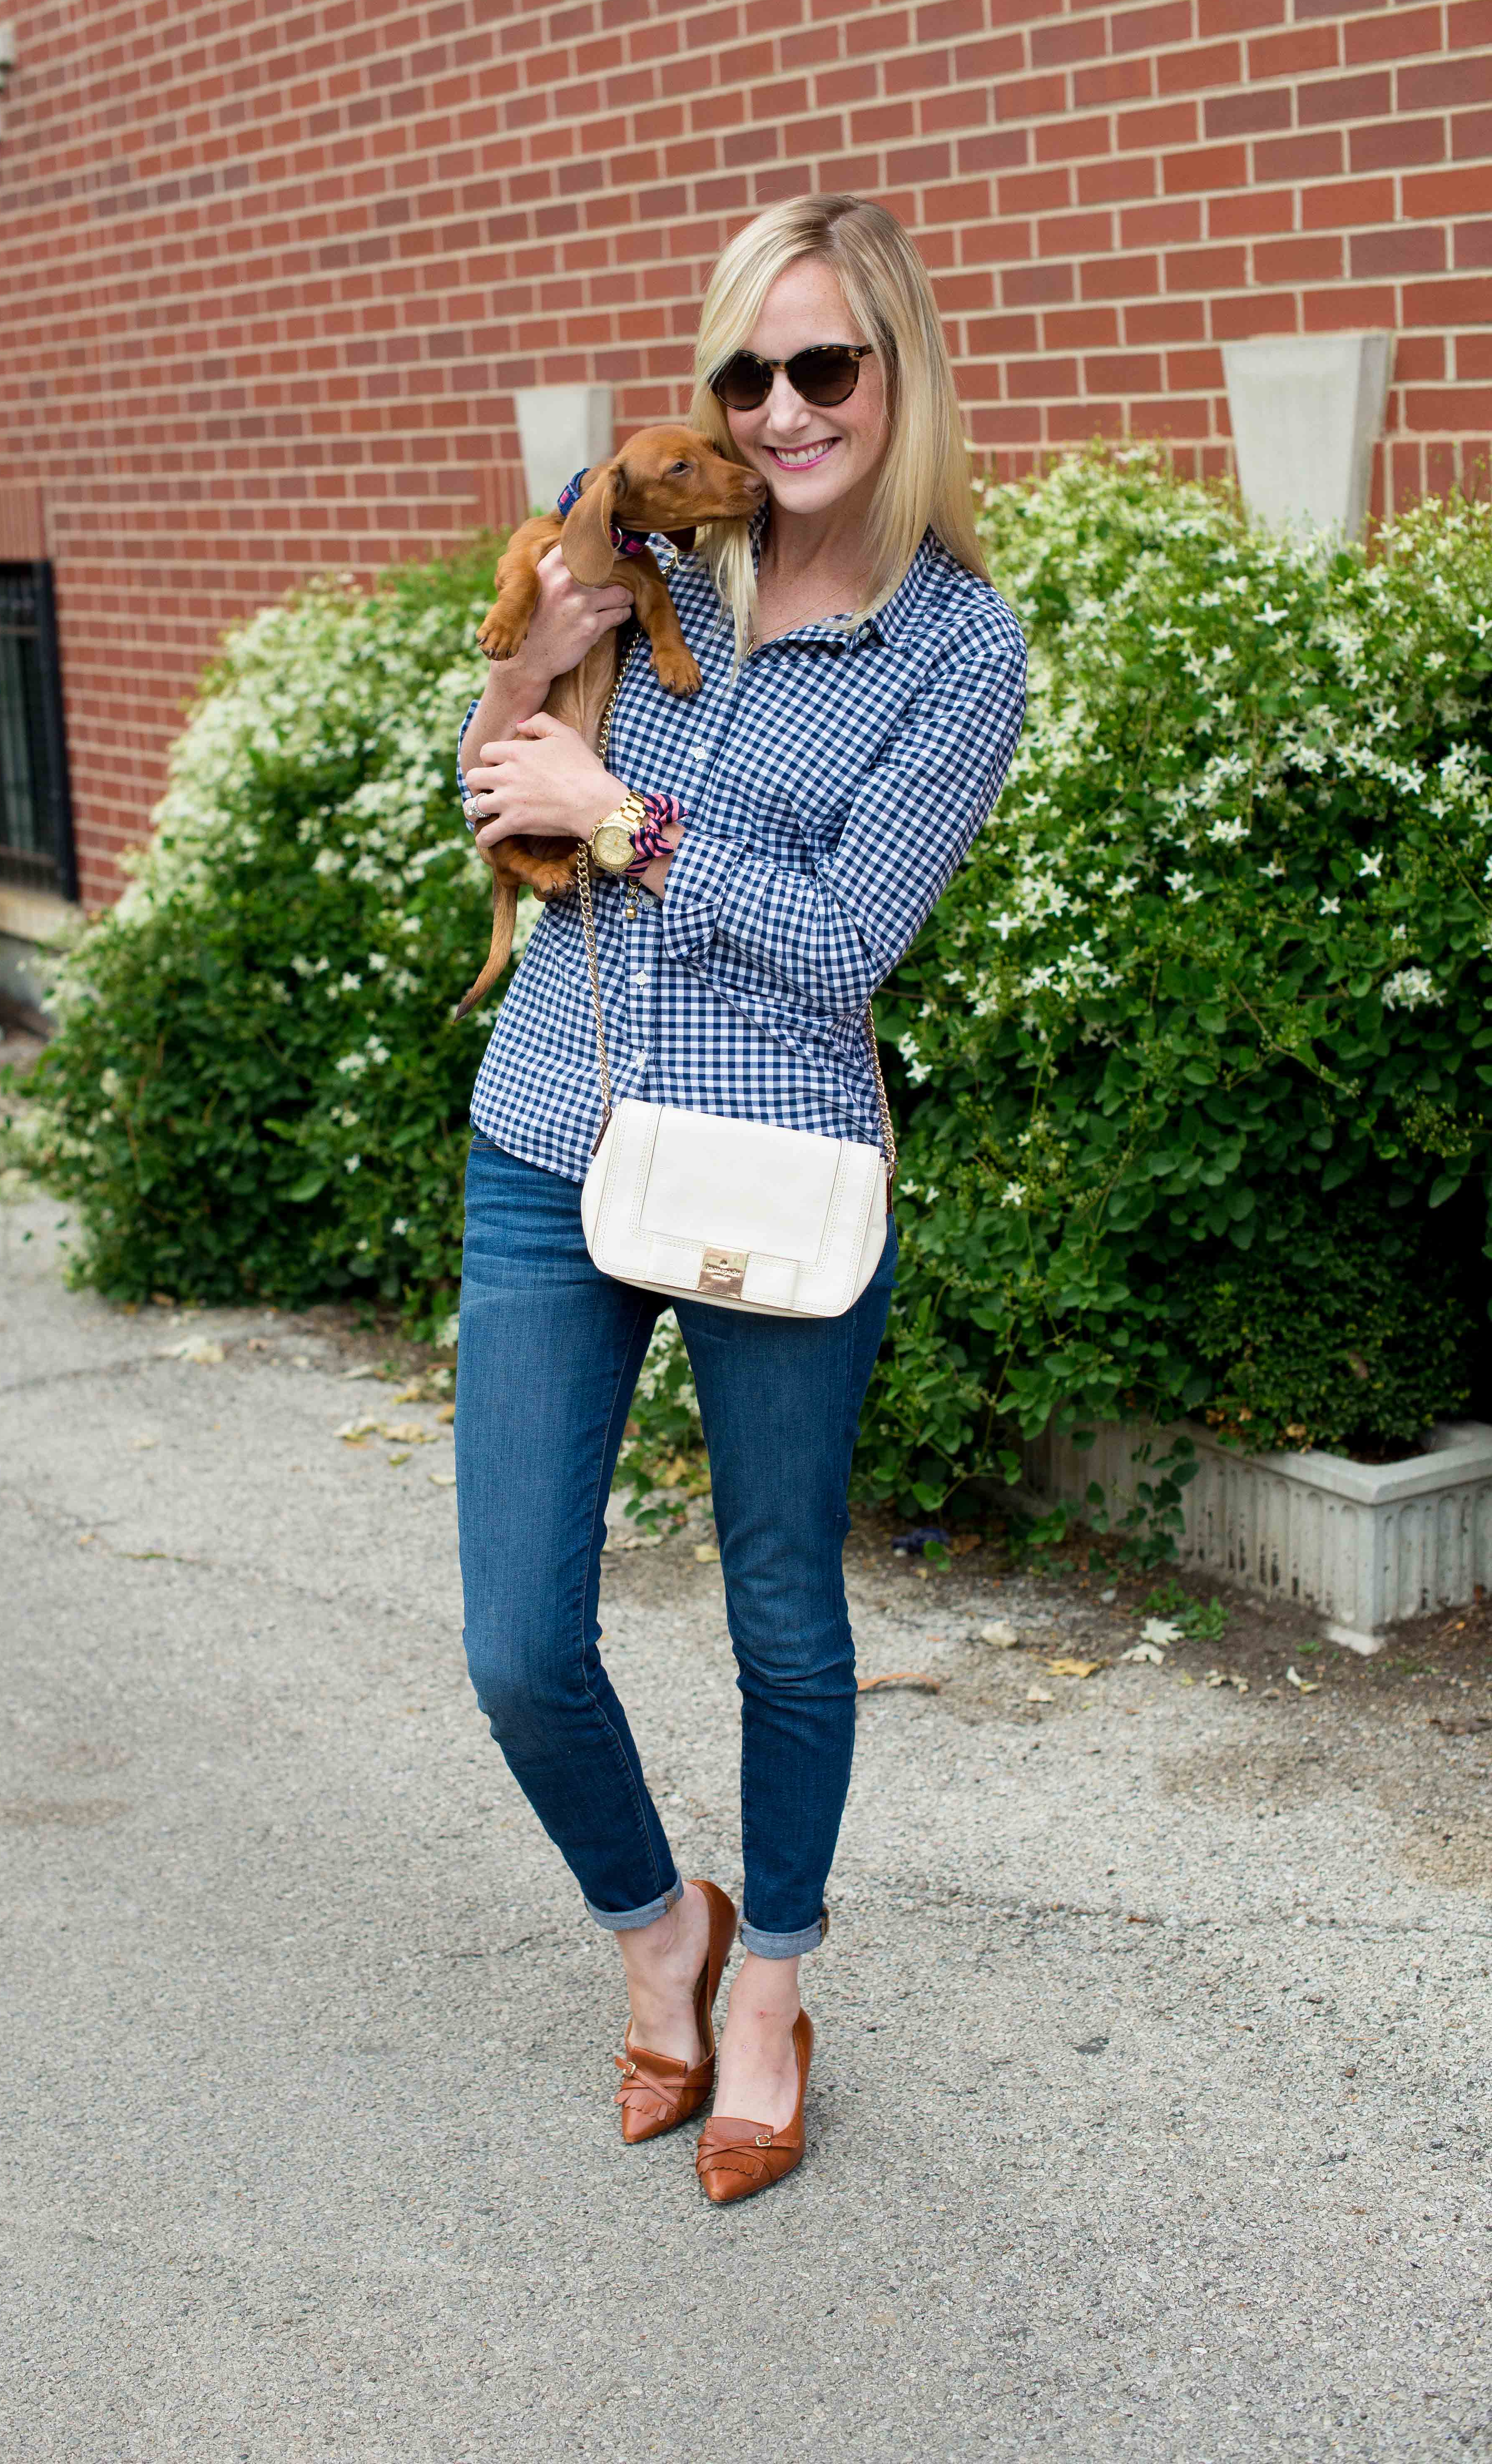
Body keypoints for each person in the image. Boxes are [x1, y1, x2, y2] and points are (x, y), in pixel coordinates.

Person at [451, 193, 1026, 2204]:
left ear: (896, 378)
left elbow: (845, 935)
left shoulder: (955, 651)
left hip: (776, 1172)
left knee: (782, 1609)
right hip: (548, 1124)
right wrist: (545, 662)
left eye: (823, 369)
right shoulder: (648, 532)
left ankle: (771, 1973)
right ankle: (655, 1932)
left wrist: (623, 816)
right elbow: (491, 771)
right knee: (515, 1637)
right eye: (745, 374)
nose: (780, 414)